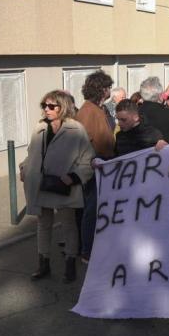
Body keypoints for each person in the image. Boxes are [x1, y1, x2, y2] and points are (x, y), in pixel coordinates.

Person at [20, 90, 94, 283]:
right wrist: (24, 168)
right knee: (43, 225)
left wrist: (74, 176)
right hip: (40, 183)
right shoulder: (39, 127)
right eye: (44, 105)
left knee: (68, 226)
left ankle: (70, 264)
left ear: (63, 107)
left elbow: (88, 159)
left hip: (63, 185)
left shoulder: (76, 129)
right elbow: (31, 153)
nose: (47, 109)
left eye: (51, 106)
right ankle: (43, 263)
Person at [74, 70, 115, 264]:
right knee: (91, 209)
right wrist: (92, 161)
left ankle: (95, 247)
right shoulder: (88, 110)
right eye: (108, 87)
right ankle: (86, 251)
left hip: (104, 164)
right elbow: (81, 142)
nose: (110, 91)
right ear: (101, 89)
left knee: (98, 208)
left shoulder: (100, 109)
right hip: (94, 165)